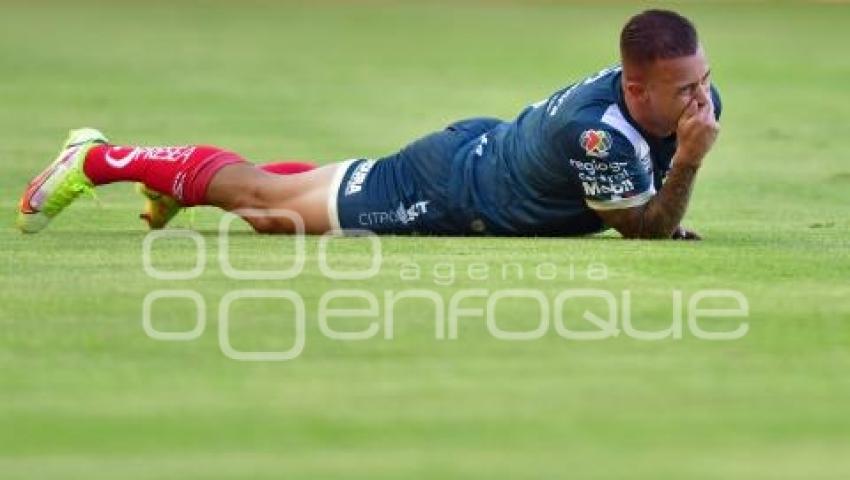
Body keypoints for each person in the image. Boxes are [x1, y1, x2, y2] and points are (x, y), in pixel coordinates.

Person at [17, 9, 719, 240]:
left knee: (293, 199)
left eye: (704, 81)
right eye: (684, 89)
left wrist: (670, 176)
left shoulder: (679, 102)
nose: (701, 102)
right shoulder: (596, 130)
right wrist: (684, 166)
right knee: (267, 210)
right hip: (450, 189)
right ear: (634, 84)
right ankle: (100, 158)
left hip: (477, 156)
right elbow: (644, 231)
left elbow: (646, 203)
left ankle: (183, 181)